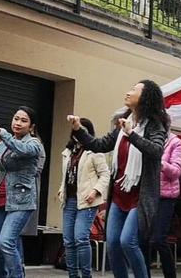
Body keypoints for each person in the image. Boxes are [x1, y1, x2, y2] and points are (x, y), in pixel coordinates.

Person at [67, 80, 168, 278]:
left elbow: (156, 151)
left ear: (145, 97)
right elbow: (99, 145)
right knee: (112, 244)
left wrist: (131, 134)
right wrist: (79, 128)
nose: (128, 92)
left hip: (140, 197)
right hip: (120, 195)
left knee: (127, 241)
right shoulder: (123, 123)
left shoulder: (155, 126)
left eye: (134, 90)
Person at [0, 106, 45, 278]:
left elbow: (21, 149)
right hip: (0, 200)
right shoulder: (2, 144)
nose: (18, 123)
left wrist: (4, 135)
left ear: (31, 127)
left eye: (23, 120)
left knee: (5, 242)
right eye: (16, 118)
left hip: (22, 201)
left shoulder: (34, 144)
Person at [58, 118, 110, 278]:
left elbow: (105, 174)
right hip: (70, 200)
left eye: (83, 129)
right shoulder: (68, 152)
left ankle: (86, 275)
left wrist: (95, 191)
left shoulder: (94, 151)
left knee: (80, 238)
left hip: (87, 201)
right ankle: (73, 275)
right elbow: (67, 177)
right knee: (68, 240)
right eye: (77, 129)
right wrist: (61, 190)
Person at [145, 132, 181, 278]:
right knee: (145, 239)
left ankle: (170, 275)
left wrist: (161, 164)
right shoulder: (148, 138)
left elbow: (176, 172)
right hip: (147, 194)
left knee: (158, 239)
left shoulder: (175, 142)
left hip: (166, 197)